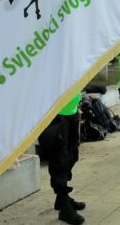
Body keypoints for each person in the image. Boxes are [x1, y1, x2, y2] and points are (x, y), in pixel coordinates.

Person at [39, 93, 85, 224]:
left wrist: (77, 105)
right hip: (56, 114)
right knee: (59, 160)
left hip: (72, 112)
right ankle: (64, 205)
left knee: (72, 156)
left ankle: (61, 198)